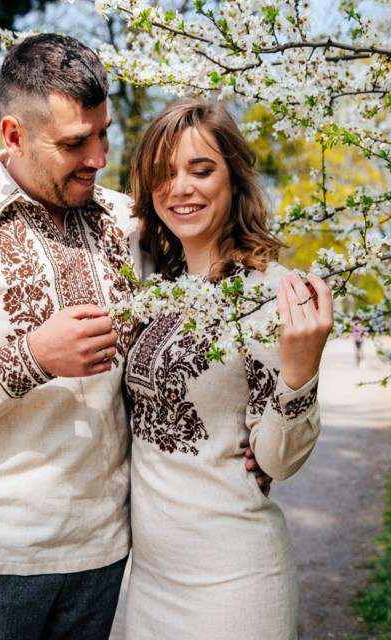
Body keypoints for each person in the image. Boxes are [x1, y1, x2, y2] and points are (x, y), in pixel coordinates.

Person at [0, 34, 270, 639]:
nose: (99, 157)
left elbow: (208, 294)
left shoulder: (131, 222)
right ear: (13, 135)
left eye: (104, 133)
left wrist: (259, 428)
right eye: (74, 143)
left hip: (105, 557)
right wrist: (29, 359)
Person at [123, 100, 334, 639]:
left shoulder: (271, 293)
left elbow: (277, 462)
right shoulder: (158, 287)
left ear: (234, 179)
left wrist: (301, 371)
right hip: (149, 583)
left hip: (235, 584)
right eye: (163, 174)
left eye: (201, 169)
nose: (180, 188)